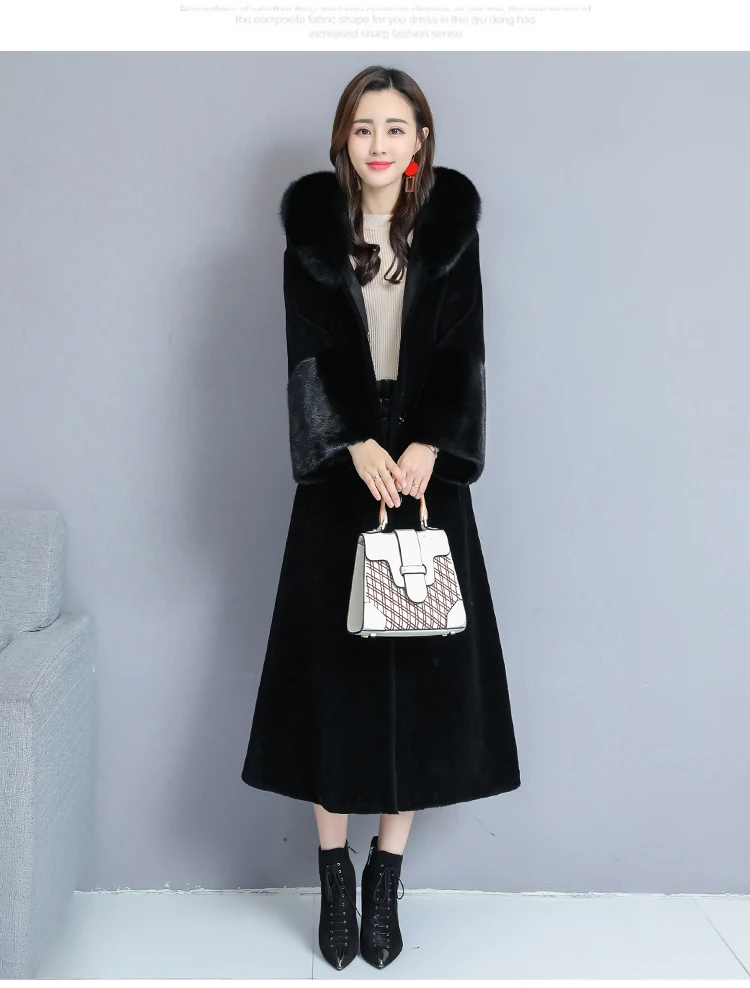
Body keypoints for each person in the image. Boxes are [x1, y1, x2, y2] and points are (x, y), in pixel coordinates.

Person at [241, 65, 521, 971]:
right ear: (344, 138)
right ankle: (332, 874)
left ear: (419, 141)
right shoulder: (313, 234)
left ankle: (384, 876)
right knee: (334, 678)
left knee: (421, 680)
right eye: (363, 128)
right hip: (343, 470)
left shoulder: (449, 231)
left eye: (395, 128)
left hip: (425, 468)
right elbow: (307, 357)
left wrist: (432, 445)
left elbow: (464, 352)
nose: (378, 144)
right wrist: (349, 443)